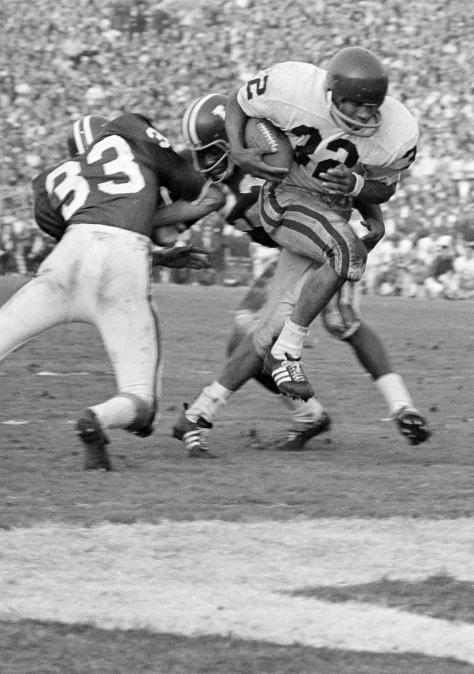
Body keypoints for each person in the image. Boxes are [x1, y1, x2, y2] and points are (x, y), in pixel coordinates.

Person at [171, 93, 431, 455]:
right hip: (292, 245)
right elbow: (170, 215)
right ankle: (308, 416)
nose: (205, 163)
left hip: (323, 236)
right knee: (247, 336)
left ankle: (402, 407)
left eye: (214, 151)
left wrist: (375, 215)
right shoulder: (205, 180)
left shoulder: (276, 146)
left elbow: (337, 168)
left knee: (338, 320)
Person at [0, 113, 225, 470]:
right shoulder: (130, 130)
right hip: (122, 265)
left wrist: (161, 256)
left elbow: (92, 228)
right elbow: (207, 196)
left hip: (66, 261)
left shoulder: (46, 183)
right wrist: (172, 228)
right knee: (141, 400)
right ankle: (98, 418)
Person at [221, 47, 420, 407]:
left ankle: (387, 407)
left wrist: (360, 191)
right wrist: (237, 147)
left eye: (372, 106)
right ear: (332, 95)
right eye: (356, 105)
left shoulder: (395, 133)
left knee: (337, 310)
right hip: (291, 211)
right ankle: (289, 379)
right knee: (250, 330)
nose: (366, 114)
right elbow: (239, 100)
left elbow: (385, 186)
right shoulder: (290, 89)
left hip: (326, 220)